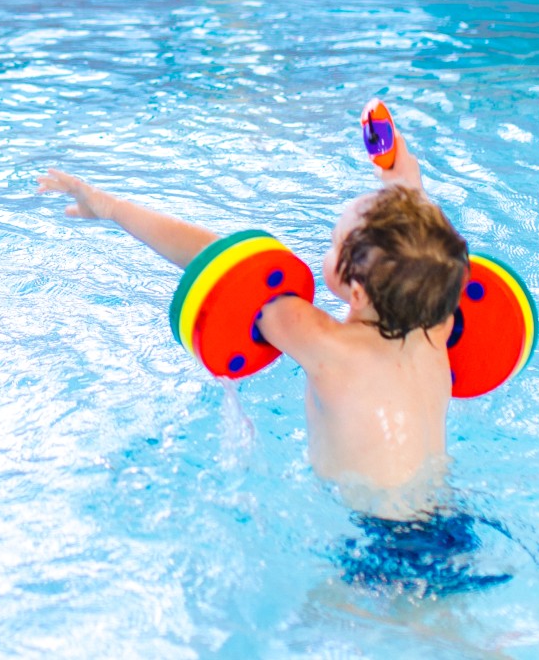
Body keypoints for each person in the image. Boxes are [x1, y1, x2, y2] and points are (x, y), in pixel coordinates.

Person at [39, 131, 468, 519]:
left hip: (382, 549)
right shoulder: (437, 326)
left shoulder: (327, 345)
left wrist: (111, 207)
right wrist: (406, 186)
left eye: (334, 241)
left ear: (357, 294)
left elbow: (219, 262)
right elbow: (425, 252)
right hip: (449, 520)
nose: (329, 242)